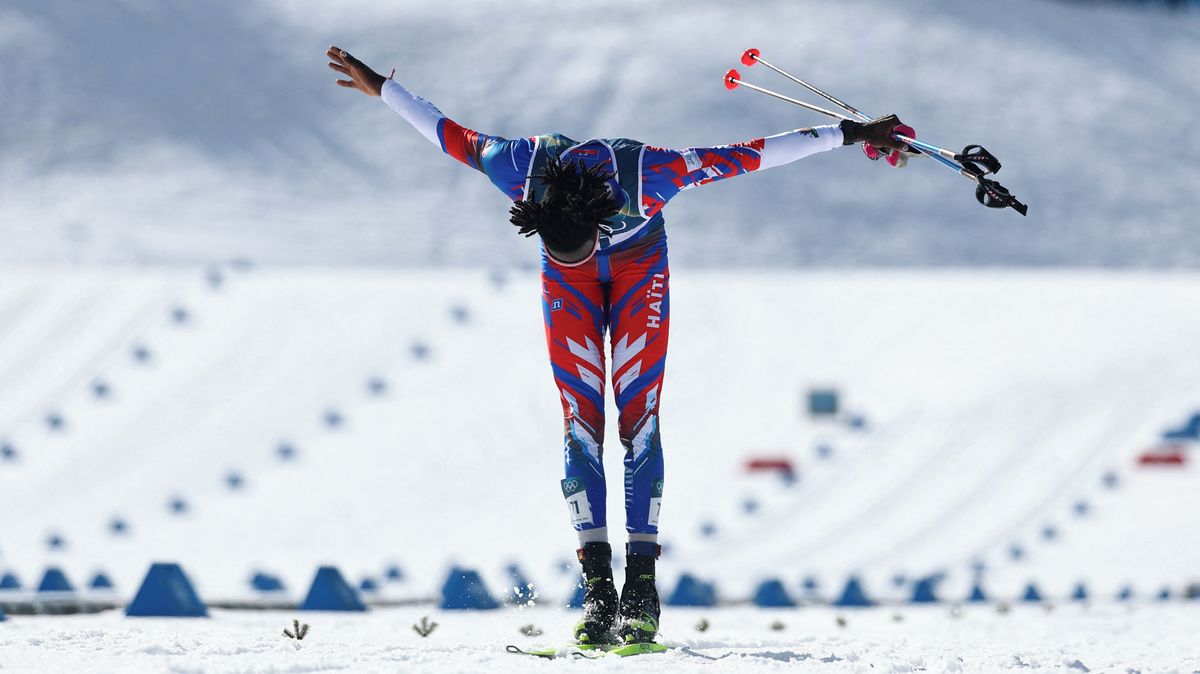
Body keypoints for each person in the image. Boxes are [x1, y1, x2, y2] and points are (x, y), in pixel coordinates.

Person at [326, 45, 913, 646]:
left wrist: (852, 132)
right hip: (570, 287)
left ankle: (641, 588)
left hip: (638, 268)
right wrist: (383, 89)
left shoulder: (650, 173)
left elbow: (753, 155)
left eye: (577, 247)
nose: (574, 254)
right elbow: (442, 128)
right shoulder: (517, 167)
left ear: (599, 220)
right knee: (580, 422)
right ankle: (599, 593)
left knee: (639, 419)